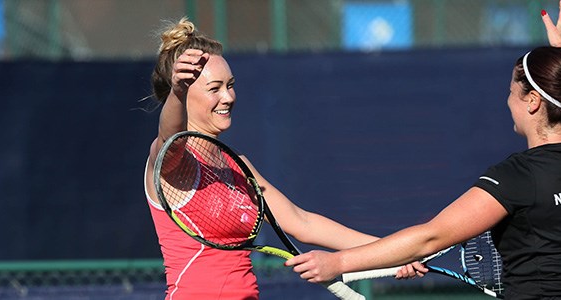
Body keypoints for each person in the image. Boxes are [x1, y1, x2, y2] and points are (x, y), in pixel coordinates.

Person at [287, 1, 561, 298]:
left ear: (532, 102)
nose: (507, 102)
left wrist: (338, 262)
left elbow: (429, 239)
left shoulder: (518, 178)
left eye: (512, 92)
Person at [142, 18, 416, 299]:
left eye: (231, 85)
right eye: (215, 89)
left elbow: (303, 223)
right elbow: (168, 137)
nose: (228, 97)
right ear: (183, 93)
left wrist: (391, 252)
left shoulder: (239, 165)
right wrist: (177, 93)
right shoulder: (171, 162)